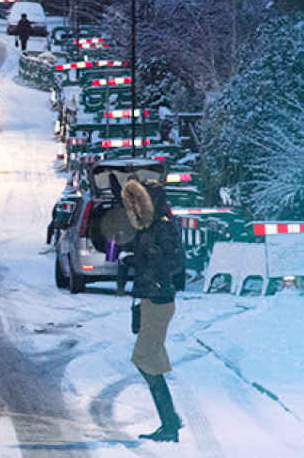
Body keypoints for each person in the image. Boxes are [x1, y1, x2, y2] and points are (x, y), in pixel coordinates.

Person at [121, 179, 183, 443]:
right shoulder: (148, 228)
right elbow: (149, 260)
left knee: (144, 359)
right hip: (149, 299)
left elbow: (174, 262)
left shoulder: (163, 227)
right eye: (132, 202)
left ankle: (170, 422)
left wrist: (154, 269)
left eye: (137, 201)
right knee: (149, 359)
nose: (134, 207)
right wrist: (132, 259)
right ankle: (169, 423)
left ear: (149, 202)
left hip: (159, 300)